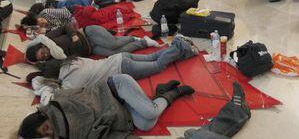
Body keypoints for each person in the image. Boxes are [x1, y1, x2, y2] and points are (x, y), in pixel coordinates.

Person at [18, 75, 195, 137]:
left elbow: (89, 95)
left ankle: (173, 94)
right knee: (146, 124)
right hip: (122, 109)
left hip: (116, 88)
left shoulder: (60, 101)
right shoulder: (71, 136)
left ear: (44, 117)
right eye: (46, 135)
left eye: (46, 127)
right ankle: (161, 94)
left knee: (149, 112)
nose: (51, 131)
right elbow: (104, 134)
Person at [28, 35, 198, 96]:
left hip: (123, 69)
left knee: (158, 65)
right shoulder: (72, 61)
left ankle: (179, 45)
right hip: (118, 58)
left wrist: (41, 83)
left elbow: (52, 95)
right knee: (153, 56)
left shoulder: (69, 84)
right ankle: (182, 49)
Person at [25, 23, 162, 65]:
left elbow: (66, 26)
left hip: (88, 33)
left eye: (42, 53)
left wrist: (73, 35)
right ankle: (142, 42)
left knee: (113, 44)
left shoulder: (49, 38)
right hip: (91, 49)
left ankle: (133, 38)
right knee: (115, 54)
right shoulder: (54, 59)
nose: (45, 55)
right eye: (42, 57)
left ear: (41, 46)